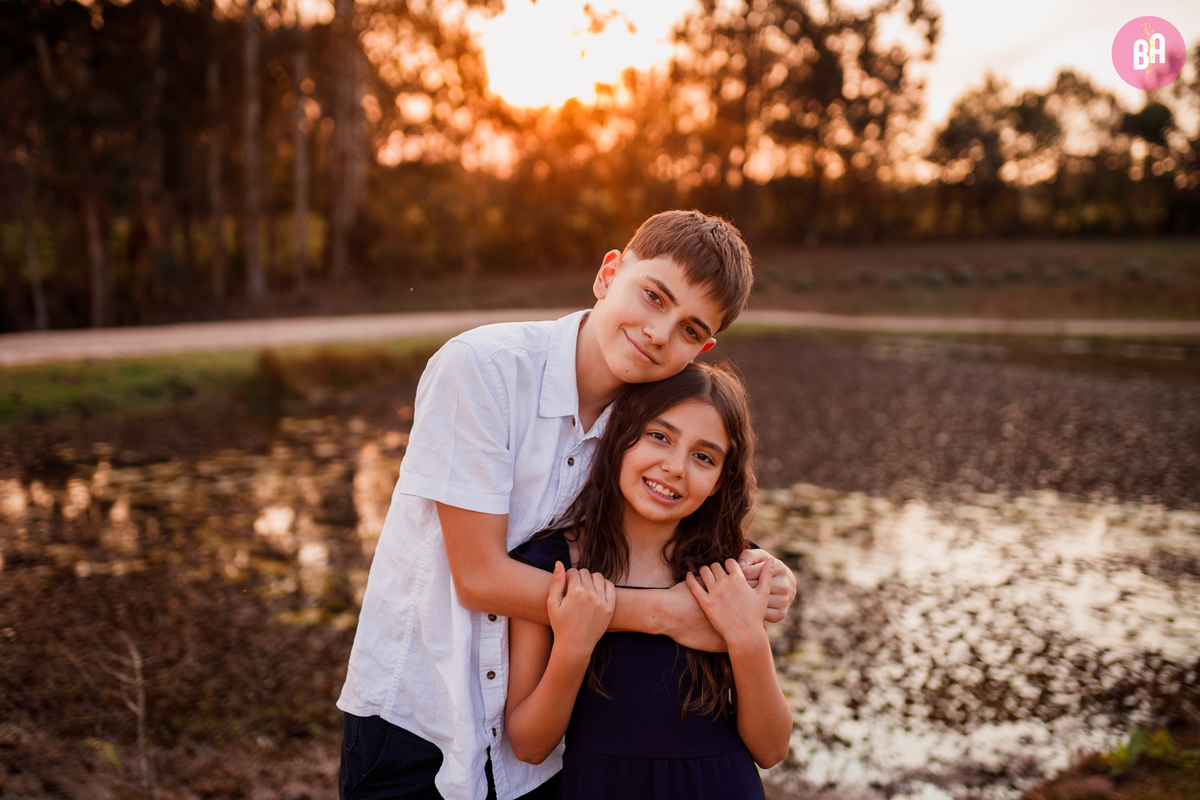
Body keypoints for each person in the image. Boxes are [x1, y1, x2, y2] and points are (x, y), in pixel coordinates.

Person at [337, 211, 797, 800]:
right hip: (422, 717)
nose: (659, 332)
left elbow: (683, 507)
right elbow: (478, 577)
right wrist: (665, 613)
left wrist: (770, 572)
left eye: (688, 329)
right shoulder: (484, 369)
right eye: (653, 297)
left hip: (537, 755)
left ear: (701, 349)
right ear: (609, 273)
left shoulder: (644, 424)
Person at [506, 362, 791, 799]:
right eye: (660, 436)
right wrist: (573, 647)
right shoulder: (549, 564)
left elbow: (771, 748)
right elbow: (528, 745)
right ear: (621, 436)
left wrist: (747, 636)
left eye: (703, 456)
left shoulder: (730, 569)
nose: (675, 467)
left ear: (718, 481)